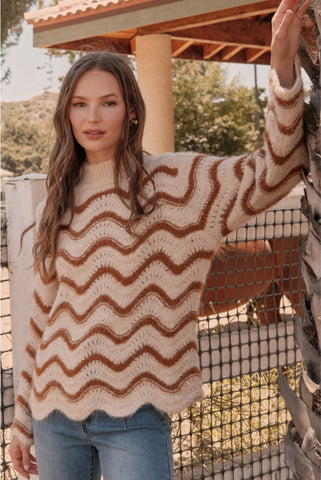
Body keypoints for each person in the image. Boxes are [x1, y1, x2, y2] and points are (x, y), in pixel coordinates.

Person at [9, 0, 310, 478]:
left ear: (130, 110)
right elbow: (45, 316)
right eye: (80, 104)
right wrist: (22, 420)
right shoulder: (59, 198)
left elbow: (272, 173)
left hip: (135, 418)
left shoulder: (173, 183)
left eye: (108, 102)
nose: (93, 116)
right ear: (66, 114)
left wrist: (282, 69)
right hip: (55, 414)